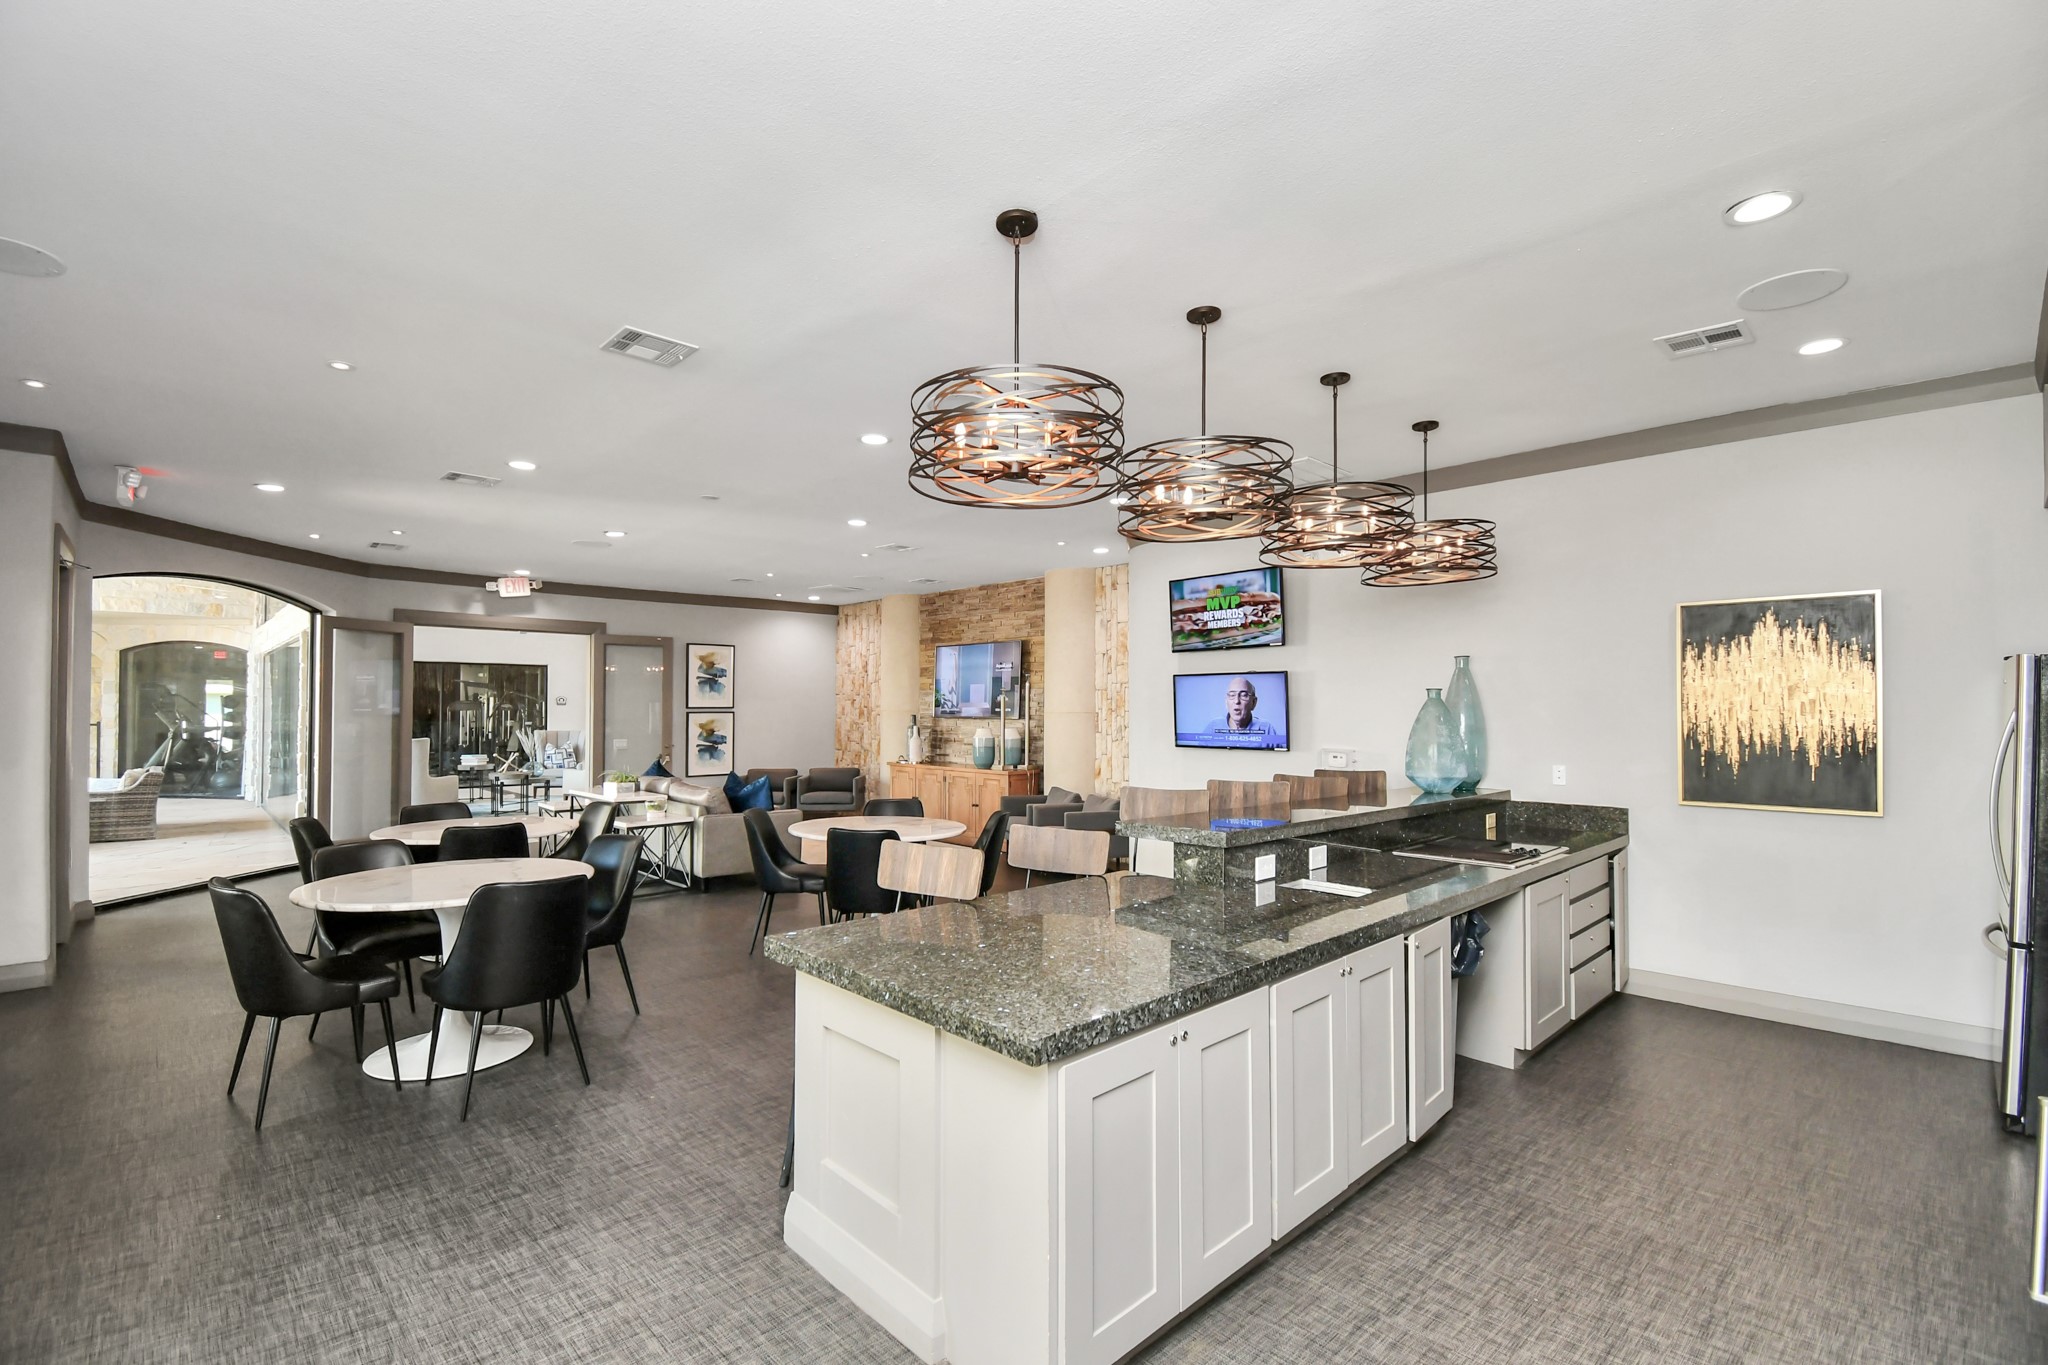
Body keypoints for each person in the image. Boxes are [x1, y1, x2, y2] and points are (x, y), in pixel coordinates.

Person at [1207, 676, 1281, 740]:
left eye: (1243, 695)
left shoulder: (1267, 729)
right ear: (1226, 702)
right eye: (1232, 695)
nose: (1237, 701)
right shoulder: (1213, 727)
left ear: (1253, 703)